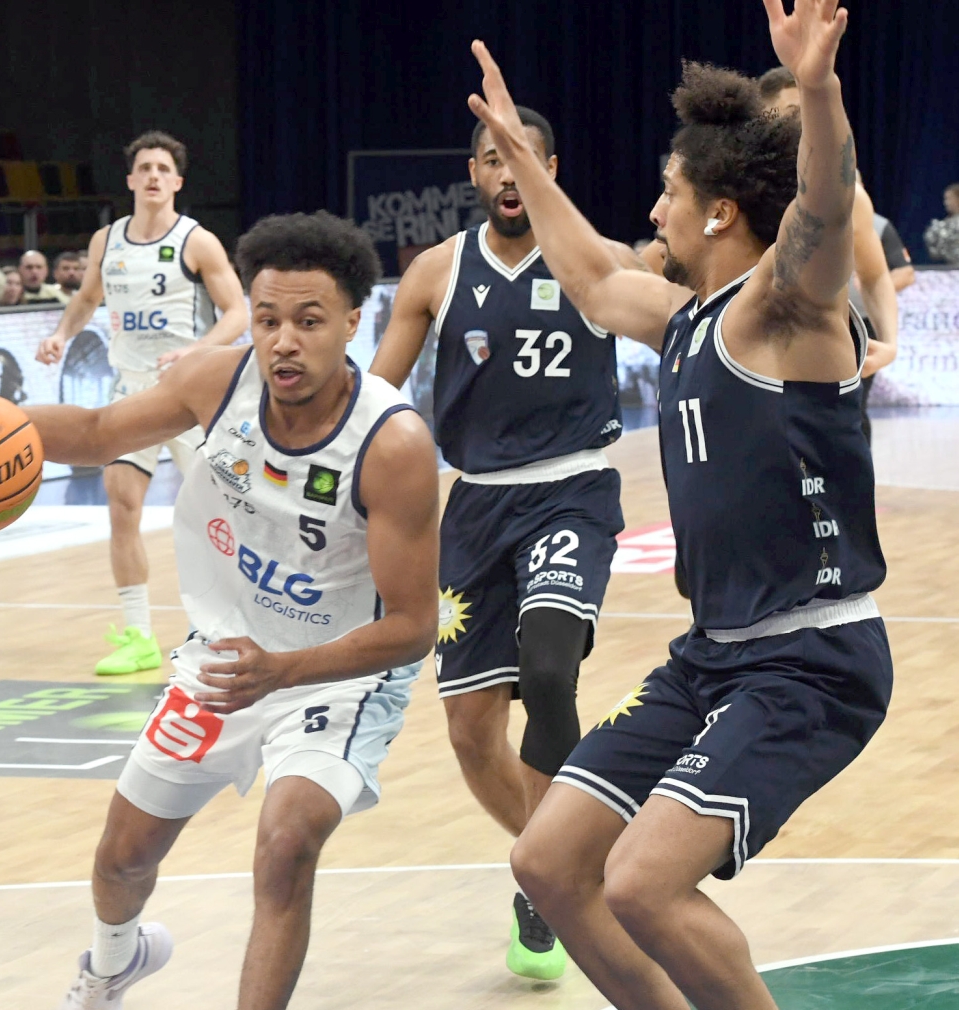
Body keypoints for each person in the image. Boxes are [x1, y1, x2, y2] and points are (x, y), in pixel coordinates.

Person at [0, 209, 440, 1010]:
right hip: (223, 660)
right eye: (269, 317)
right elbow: (100, 427)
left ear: (354, 322)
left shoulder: (391, 444)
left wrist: (285, 671)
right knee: (121, 860)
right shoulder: (218, 382)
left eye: (309, 322)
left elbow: (412, 629)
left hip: (334, 677)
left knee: (286, 845)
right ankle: (115, 962)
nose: (283, 340)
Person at [468, 0, 893, 1005]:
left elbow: (827, 212)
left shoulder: (790, 309)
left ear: (719, 212)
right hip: (714, 652)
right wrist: (521, 157)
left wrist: (820, 91)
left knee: (644, 881)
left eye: (667, 192)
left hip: (811, 656)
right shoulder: (681, 318)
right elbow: (585, 276)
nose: (652, 212)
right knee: (549, 861)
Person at [370, 106, 627, 980]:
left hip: (572, 489)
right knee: (469, 728)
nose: (506, 174)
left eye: (520, 157)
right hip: (474, 507)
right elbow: (376, 400)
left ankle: (548, 873)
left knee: (549, 671)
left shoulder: (600, 264)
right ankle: (552, 864)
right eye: (491, 159)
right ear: (474, 174)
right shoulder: (436, 272)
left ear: (548, 165)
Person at [36, 131, 249, 676]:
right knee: (121, 505)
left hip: (186, 394)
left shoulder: (196, 241)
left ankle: (236, 626)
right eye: (145, 168)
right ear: (130, 179)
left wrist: (197, 351)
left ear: (177, 182)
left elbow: (237, 314)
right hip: (131, 388)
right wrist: (62, 333)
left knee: (219, 514)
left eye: (163, 169)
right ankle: (138, 635)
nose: (154, 176)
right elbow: (87, 297)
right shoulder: (106, 242)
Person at [758, 65, 899, 429]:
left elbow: (875, 274)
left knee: (841, 462)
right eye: (792, 114)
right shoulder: (735, 187)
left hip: (831, 347)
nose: (804, 125)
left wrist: (891, 343)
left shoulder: (847, 190)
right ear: (761, 120)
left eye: (809, 114)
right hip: (760, 346)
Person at [924, 183, 959, 265]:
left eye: (949, 199)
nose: (946, 203)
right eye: (945, 199)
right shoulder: (943, 225)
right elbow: (935, 253)